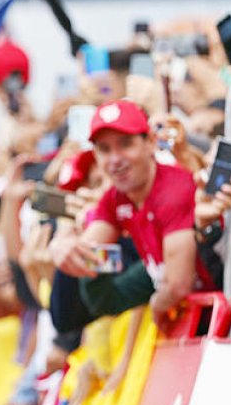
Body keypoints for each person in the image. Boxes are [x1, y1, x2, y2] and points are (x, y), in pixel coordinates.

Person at [50, 99, 212, 332]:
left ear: (150, 143)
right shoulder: (115, 198)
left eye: (125, 144)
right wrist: (62, 244)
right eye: (104, 149)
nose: (115, 159)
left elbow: (178, 285)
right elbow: (89, 251)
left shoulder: (173, 188)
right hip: (203, 318)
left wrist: (157, 306)